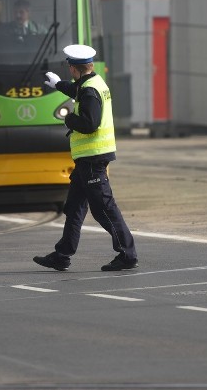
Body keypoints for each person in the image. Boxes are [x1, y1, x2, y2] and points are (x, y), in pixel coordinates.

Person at [33, 44, 139, 272]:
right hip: (86, 160)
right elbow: (76, 90)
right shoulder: (92, 83)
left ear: (74, 68)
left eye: (69, 67)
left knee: (103, 209)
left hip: (93, 159)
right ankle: (62, 254)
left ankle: (127, 254)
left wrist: (69, 119)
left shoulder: (90, 91)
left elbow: (91, 124)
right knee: (74, 207)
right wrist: (58, 85)